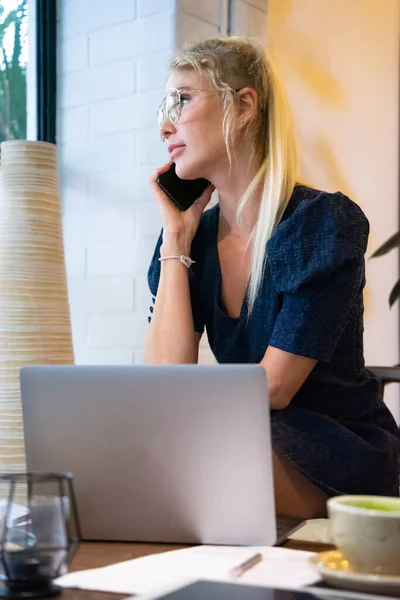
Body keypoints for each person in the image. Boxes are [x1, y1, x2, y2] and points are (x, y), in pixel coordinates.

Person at [145, 35, 400, 518]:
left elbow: (274, 389)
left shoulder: (322, 223)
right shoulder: (192, 239)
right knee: (148, 464)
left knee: (180, 473)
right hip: (247, 434)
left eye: (181, 99)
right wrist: (175, 240)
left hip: (336, 448)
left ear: (243, 105)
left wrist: (181, 424)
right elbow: (163, 380)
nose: (164, 125)